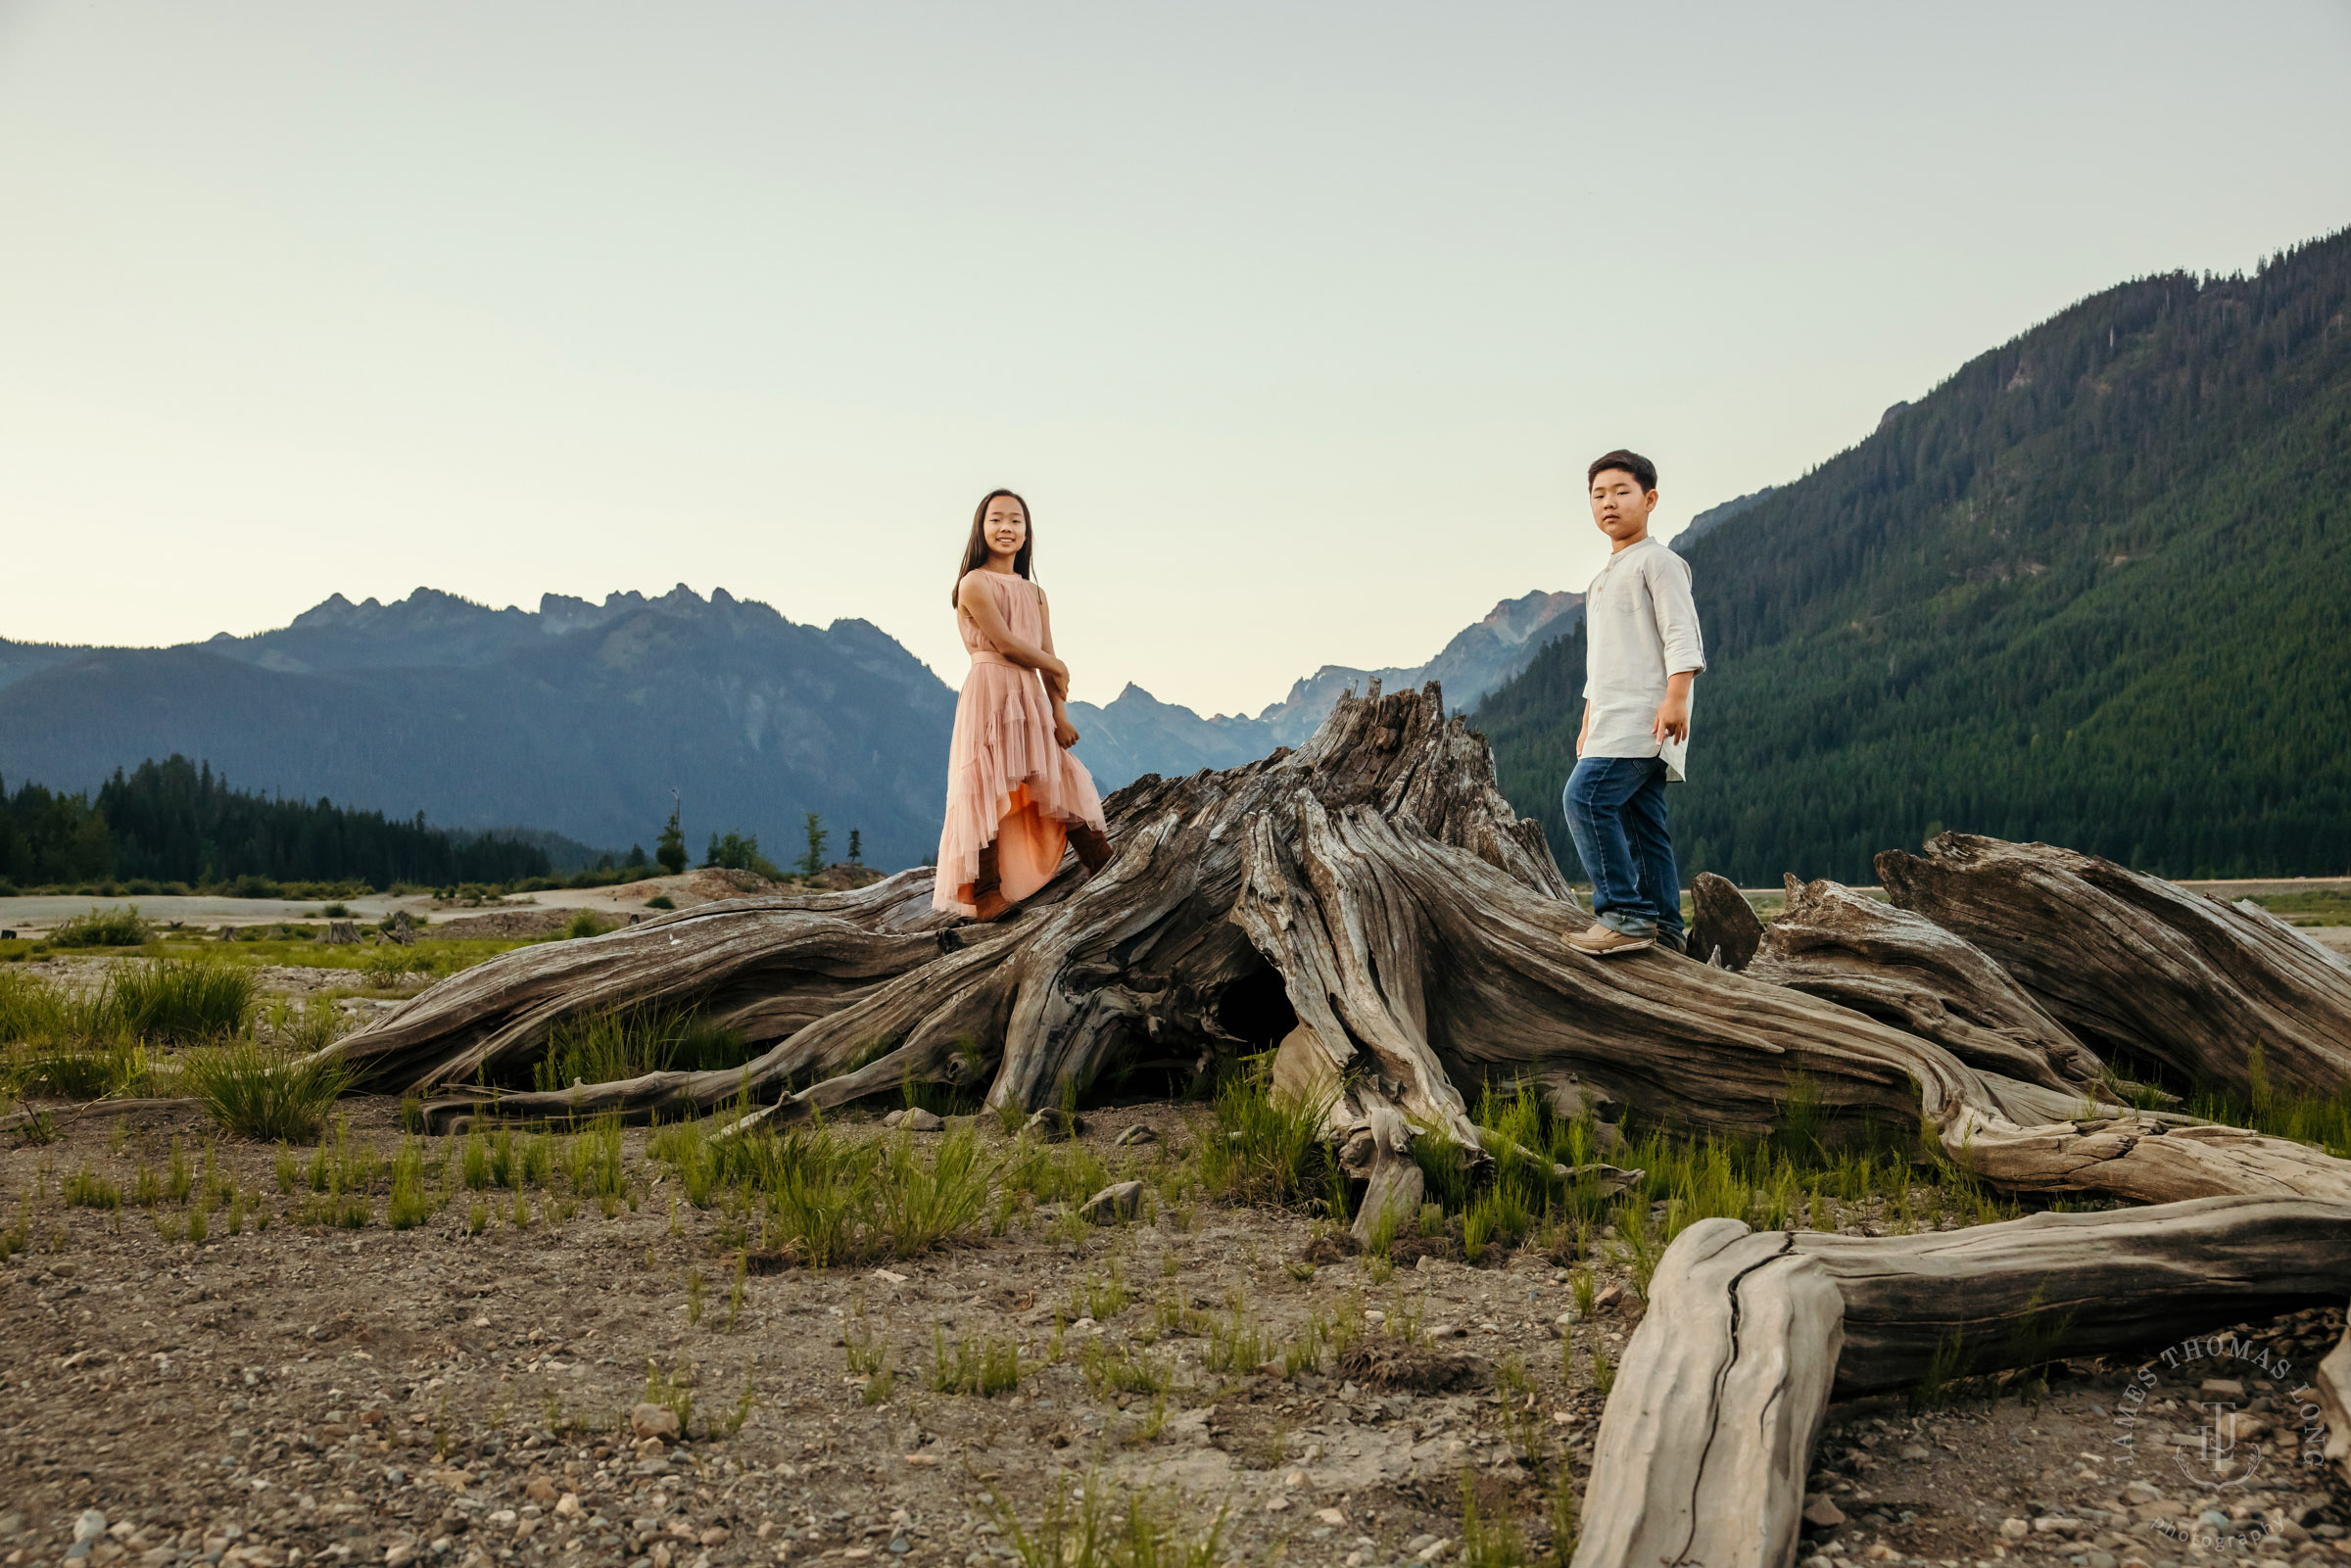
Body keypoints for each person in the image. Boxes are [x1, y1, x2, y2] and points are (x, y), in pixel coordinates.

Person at [933, 488, 1114, 921]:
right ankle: (986, 892)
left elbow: (1045, 655)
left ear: (1027, 530)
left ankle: (1100, 860)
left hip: (1029, 694)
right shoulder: (972, 582)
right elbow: (1009, 645)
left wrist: (1061, 713)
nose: (1006, 528)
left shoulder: (1035, 594)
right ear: (981, 528)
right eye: (995, 519)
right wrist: (1056, 664)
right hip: (990, 689)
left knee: (1053, 773)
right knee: (985, 781)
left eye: (1015, 520)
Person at [1561, 450, 1705, 957]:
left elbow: (1682, 635)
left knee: (1586, 799)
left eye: (1621, 492)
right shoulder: (1601, 579)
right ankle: (1666, 928)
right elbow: (1602, 662)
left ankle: (1623, 915)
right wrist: (1587, 721)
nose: (1609, 503)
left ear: (1650, 500)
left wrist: (1677, 698)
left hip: (1644, 717)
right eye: (1598, 495)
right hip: (1609, 719)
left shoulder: (1659, 561)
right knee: (1644, 826)